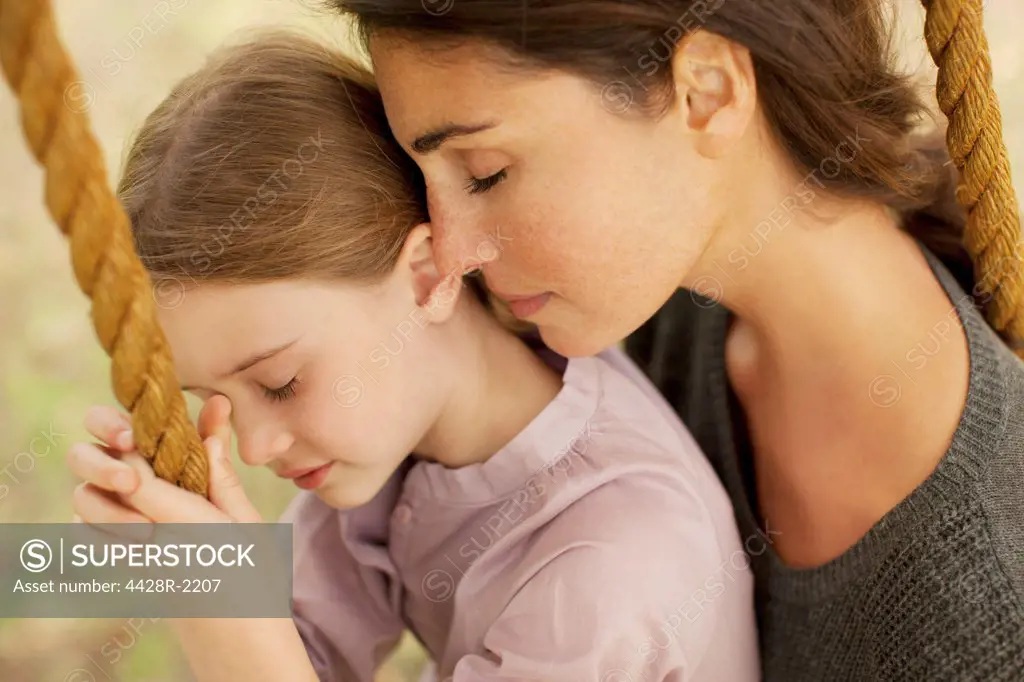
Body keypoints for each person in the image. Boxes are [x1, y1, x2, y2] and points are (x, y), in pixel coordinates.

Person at [325, 1, 1024, 680]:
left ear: (707, 91)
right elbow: (313, 565)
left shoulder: (989, 604)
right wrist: (215, 573)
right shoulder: (641, 311)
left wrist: (238, 630)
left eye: (486, 173)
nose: (449, 251)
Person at [66, 31, 760, 682]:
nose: (254, 447)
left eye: (279, 383)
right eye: (208, 399)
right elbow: (305, 649)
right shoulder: (394, 444)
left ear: (429, 275)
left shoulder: (614, 562)